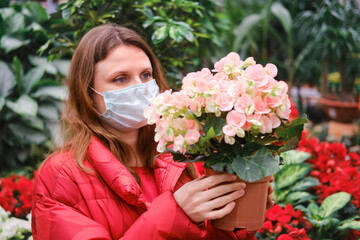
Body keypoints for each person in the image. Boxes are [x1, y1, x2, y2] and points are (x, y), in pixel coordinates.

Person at [31, 23, 274, 240]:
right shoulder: (62, 177)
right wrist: (175, 213)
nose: (140, 87)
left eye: (146, 75)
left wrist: (236, 216)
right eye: (120, 79)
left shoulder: (180, 159)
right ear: (89, 94)